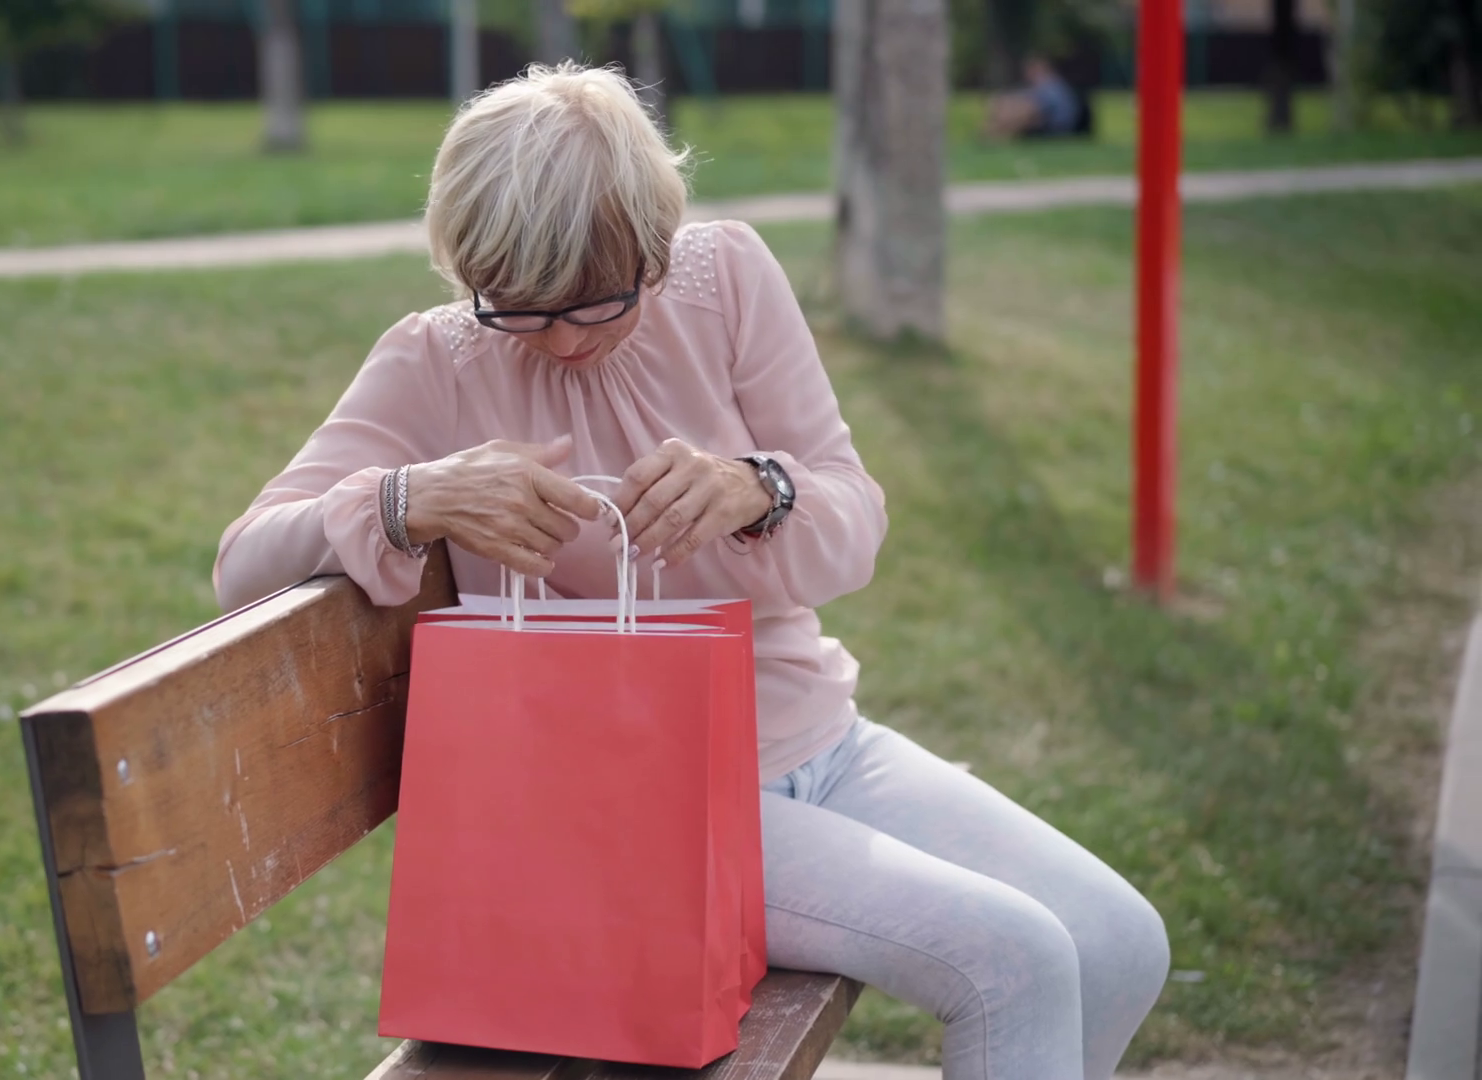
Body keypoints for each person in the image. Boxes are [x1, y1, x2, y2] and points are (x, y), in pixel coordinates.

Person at [214, 63, 1169, 1080]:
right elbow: (245, 562)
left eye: (595, 303)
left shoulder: (728, 281)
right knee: (1013, 961)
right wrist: (412, 498)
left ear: (655, 248)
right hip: (641, 805)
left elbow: (855, 520)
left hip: (821, 741)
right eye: (521, 308)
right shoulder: (436, 361)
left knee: (1121, 942)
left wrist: (762, 488)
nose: (563, 341)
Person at [985, 56, 1085, 139]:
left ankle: (999, 133)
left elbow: (1034, 109)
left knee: (1024, 111)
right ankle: (996, 132)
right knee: (1005, 102)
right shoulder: (1039, 86)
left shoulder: (1051, 86)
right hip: (1049, 122)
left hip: (1059, 126)